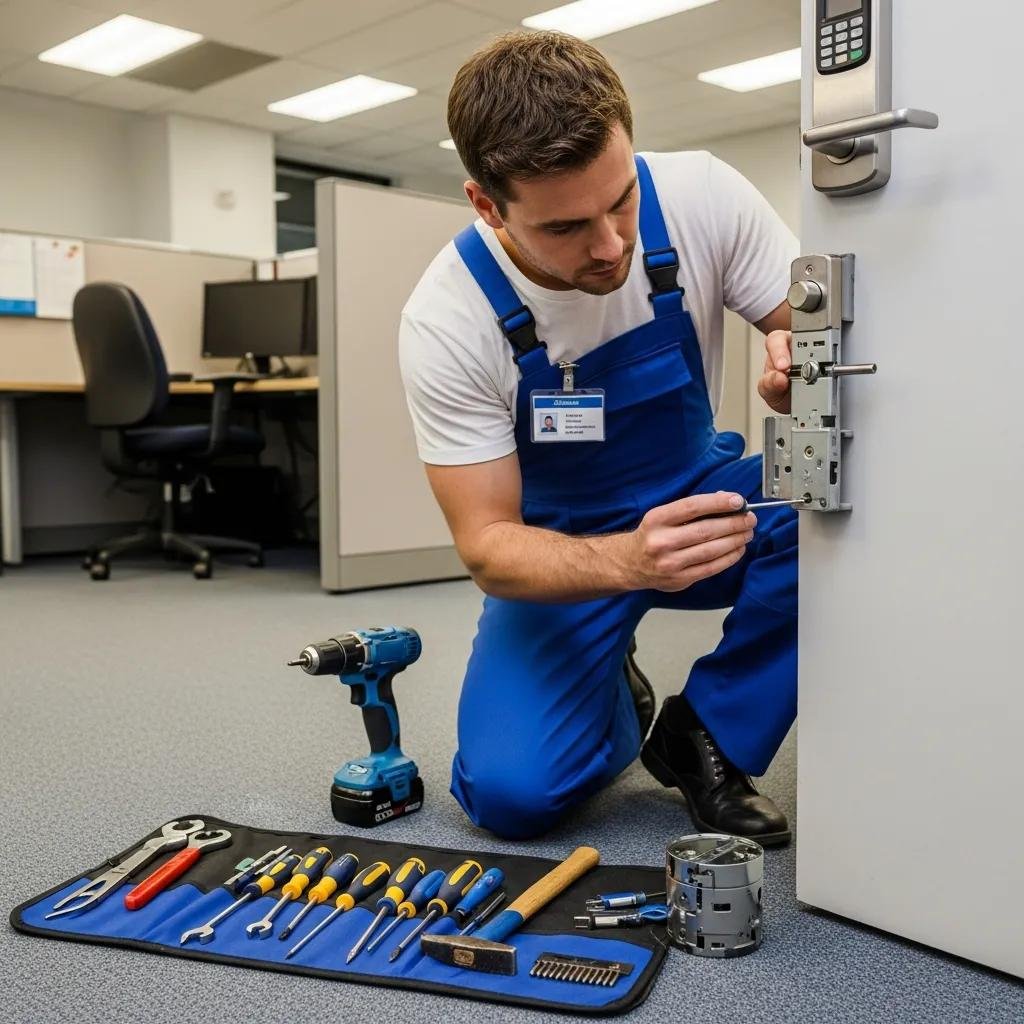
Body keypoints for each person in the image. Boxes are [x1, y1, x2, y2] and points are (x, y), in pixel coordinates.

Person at [399, 30, 798, 843]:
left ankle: (708, 734)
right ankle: (615, 692)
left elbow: (820, 339)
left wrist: (799, 362)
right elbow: (486, 545)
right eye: (566, 228)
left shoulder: (703, 195)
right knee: (511, 796)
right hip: (566, 550)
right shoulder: (448, 319)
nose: (611, 245)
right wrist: (626, 562)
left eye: (621, 201)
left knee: (846, 506)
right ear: (487, 206)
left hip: (703, 501)